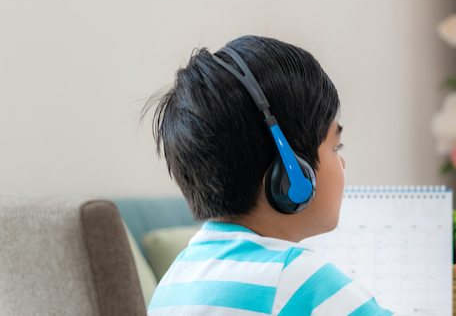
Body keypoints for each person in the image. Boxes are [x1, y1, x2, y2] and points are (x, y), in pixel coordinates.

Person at [144, 36, 391, 316]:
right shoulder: (298, 279)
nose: (342, 162)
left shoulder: (171, 283)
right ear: (291, 175)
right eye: (335, 147)